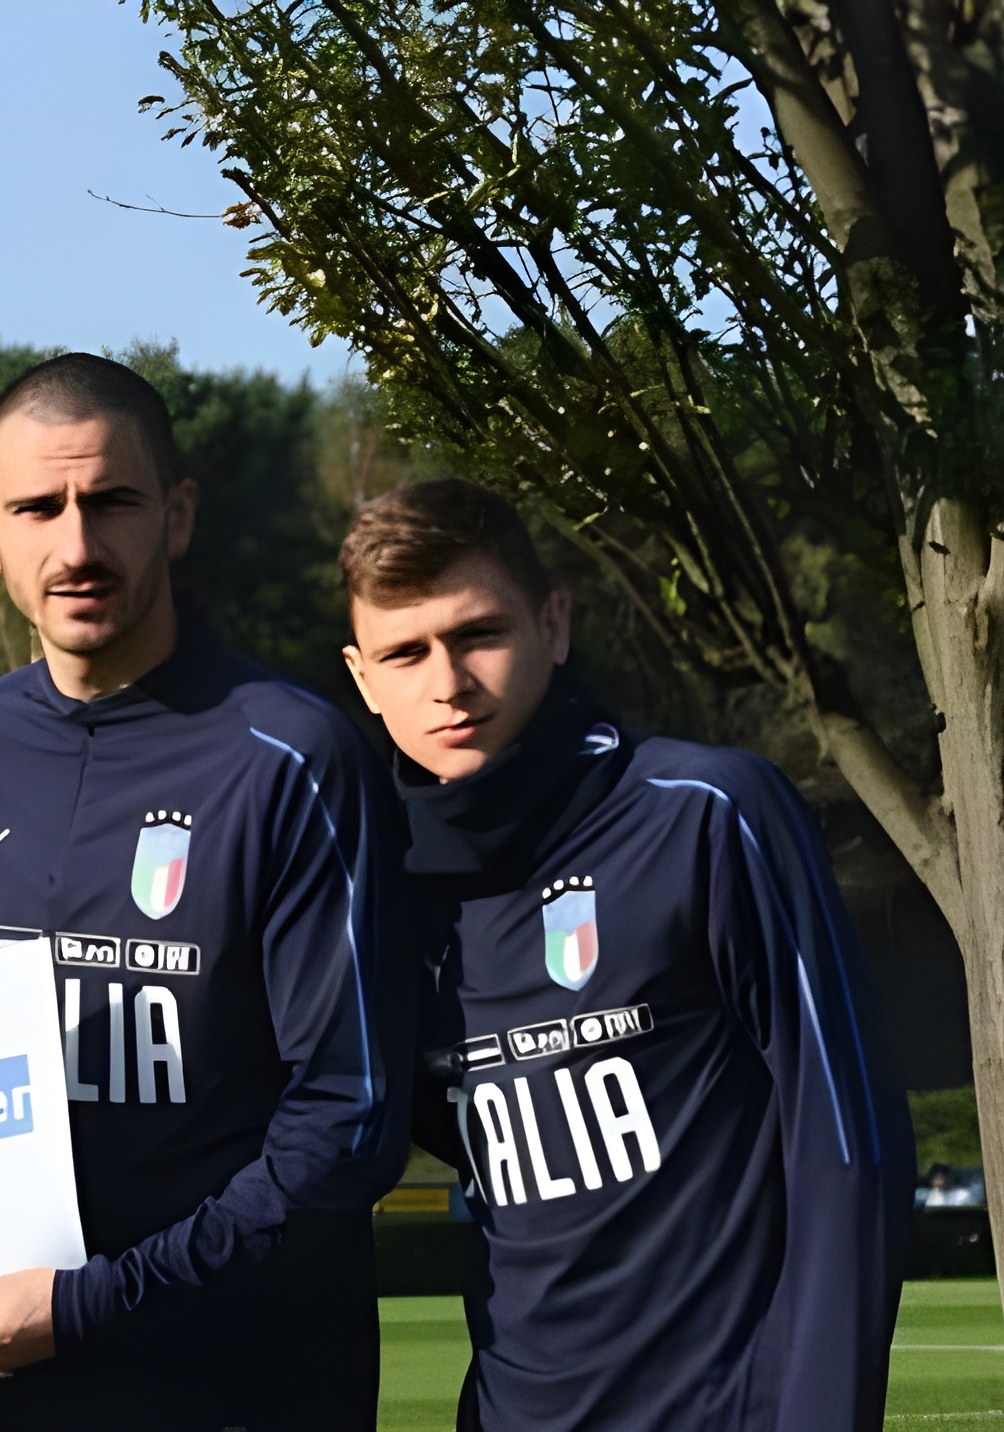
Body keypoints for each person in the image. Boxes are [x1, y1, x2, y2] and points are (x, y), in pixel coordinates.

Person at [0, 353, 409, 1430]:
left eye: (111, 502)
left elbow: (348, 1120)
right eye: (38, 507)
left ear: (175, 515)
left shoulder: (294, 755)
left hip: (252, 1390)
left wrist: (96, 1304)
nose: (76, 546)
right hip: (24, 1395)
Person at [339, 478, 910, 1430]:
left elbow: (847, 1150)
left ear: (552, 625)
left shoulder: (709, 813)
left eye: (478, 634)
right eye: (405, 652)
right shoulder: (377, 897)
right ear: (363, 679)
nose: (446, 683)